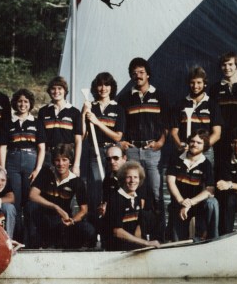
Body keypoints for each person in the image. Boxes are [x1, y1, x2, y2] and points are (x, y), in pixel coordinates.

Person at [120, 57, 167, 225]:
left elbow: (167, 124)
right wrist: (122, 143)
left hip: (152, 151)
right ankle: (139, 230)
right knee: (135, 192)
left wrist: (161, 142)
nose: (138, 76)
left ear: (148, 75)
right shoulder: (125, 99)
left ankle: (160, 233)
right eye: (134, 73)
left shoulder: (159, 95)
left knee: (155, 192)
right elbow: (121, 124)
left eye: (141, 72)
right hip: (133, 151)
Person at [28, 143, 94, 249]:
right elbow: (32, 195)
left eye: (64, 160)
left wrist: (72, 221)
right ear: (53, 161)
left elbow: (84, 209)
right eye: (57, 160)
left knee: (88, 229)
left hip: (64, 221)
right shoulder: (46, 172)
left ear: (70, 161)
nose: (61, 164)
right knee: (31, 208)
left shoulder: (76, 181)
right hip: (44, 218)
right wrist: (56, 207)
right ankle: (36, 244)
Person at [0, 89, 45, 237]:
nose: (22, 104)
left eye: (25, 101)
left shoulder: (36, 123)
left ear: (30, 103)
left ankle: (31, 238)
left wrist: (38, 169)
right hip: (12, 161)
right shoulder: (8, 122)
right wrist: (2, 169)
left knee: (30, 199)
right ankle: (16, 236)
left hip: (31, 160)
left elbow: (41, 148)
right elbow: (3, 147)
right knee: (16, 200)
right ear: (15, 103)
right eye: (19, 101)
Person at [81, 72, 124, 220]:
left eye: (107, 85)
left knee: (114, 186)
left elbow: (118, 136)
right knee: (96, 189)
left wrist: (97, 122)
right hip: (96, 151)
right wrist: (84, 113)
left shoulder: (118, 108)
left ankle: (113, 221)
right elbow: (83, 135)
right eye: (100, 85)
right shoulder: (90, 106)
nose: (103, 88)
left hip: (113, 152)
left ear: (111, 88)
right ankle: (95, 227)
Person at [167, 131, 219, 241]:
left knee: (212, 203)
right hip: (179, 203)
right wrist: (182, 201)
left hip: (197, 204)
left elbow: (210, 189)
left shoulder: (206, 164)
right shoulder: (176, 159)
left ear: (204, 146)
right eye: (192, 141)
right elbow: (170, 182)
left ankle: (213, 239)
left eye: (199, 143)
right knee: (178, 241)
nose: (194, 144)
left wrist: (190, 203)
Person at [105, 161, 161, 251]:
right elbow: (117, 231)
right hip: (116, 247)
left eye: (135, 177)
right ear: (123, 179)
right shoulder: (115, 199)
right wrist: (146, 243)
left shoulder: (136, 197)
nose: (132, 181)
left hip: (130, 245)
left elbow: (137, 226)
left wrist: (141, 244)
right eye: (129, 177)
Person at [169, 66, 222, 160]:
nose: (195, 86)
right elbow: (174, 132)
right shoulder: (180, 104)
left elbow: (217, 134)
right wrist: (180, 146)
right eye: (192, 83)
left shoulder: (212, 105)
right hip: (184, 149)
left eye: (199, 82)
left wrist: (201, 147)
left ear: (205, 84)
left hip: (205, 151)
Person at [37, 76, 83, 175]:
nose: (56, 91)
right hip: (49, 156)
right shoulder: (43, 111)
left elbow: (78, 140)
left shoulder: (74, 112)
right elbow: (41, 141)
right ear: (49, 91)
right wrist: (39, 167)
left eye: (59, 88)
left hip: (68, 155)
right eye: (53, 88)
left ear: (65, 91)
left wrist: (76, 165)